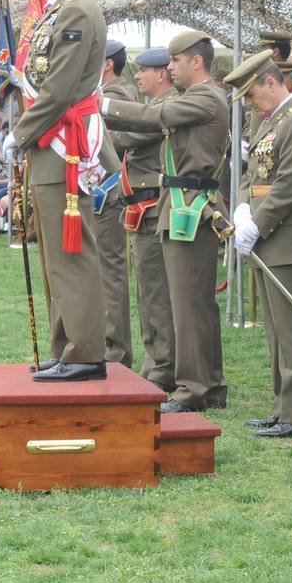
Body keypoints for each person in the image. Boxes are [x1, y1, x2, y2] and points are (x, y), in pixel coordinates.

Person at [2, 0, 110, 382]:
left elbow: (61, 88)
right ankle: (67, 345)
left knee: (72, 251)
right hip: (50, 140)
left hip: (63, 142)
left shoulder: (77, 11)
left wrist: (20, 132)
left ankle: (85, 351)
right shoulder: (55, 11)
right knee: (54, 253)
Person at [101, 32, 230, 411]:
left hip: (190, 204)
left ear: (196, 62)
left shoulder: (204, 97)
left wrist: (101, 104)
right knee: (193, 305)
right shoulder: (196, 98)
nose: (169, 69)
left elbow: (154, 115)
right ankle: (209, 384)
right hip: (181, 203)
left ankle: (193, 389)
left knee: (190, 306)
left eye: (175, 61)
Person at [227, 50, 292, 438]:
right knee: (274, 329)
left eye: (251, 94)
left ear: (271, 82)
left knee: (291, 329)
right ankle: (282, 404)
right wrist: (241, 208)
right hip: (265, 234)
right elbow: (251, 175)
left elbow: (287, 186)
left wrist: (258, 222)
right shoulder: (269, 122)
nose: (249, 103)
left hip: (284, 235)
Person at [106, 46, 179, 392]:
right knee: (148, 293)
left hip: (152, 206)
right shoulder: (152, 107)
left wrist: (98, 126)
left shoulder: (166, 108)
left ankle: (163, 365)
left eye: (143, 71)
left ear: (161, 74)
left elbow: (128, 137)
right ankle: (156, 362)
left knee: (156, 293)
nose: (136, 76)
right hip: (140, 207)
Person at [96, 39, 135, 369]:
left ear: (107, 63)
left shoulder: (117, 97)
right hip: (98, 192)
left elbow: (124, 138)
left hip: (108, 192)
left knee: (110, 272)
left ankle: (116, 349)